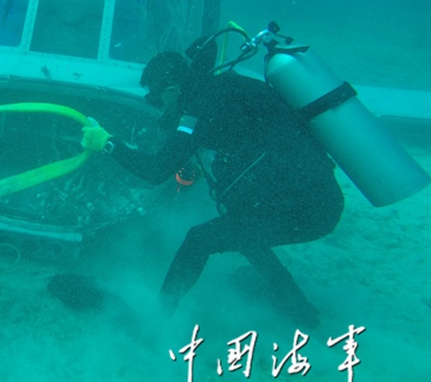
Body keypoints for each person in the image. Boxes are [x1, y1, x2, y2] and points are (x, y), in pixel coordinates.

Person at [81, 51, 344, 326]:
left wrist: (108, 143)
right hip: (320, 198)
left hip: (306, 212)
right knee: (241, 226)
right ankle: (296, 306)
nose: (157, 106)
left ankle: (158, 319)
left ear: (172, 91)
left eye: (156, 98)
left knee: (200, 239)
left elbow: (156, 171)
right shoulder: (224, 87)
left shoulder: (200, 110)